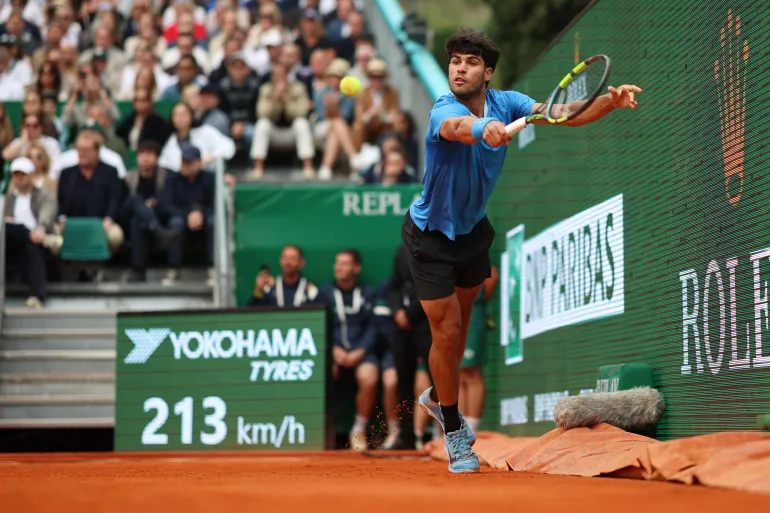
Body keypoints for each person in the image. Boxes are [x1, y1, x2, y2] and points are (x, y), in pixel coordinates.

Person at [403, 28, 641, 473]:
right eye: (455, 60)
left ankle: (437, 397)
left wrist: (608, 101)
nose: (460, 68)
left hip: (473, 233)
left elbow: (561, 112)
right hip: (430, 235)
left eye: (471, 62)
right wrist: (482, 129)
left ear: (487, 72)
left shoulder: (508, 102)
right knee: (448, 332)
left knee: (459, 336)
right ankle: (454, 431)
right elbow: (457, 128)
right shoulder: (443, 109)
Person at [319, 249, 378, 452]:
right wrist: (333, 348)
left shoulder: (368, 293)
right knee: (324, 375)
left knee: (369, 377)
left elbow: (374, 326)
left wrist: (361, 350)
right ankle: (322, 432)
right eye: (337, 263)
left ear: (356, 268)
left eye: (344, 264)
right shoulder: (325, 293)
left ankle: (358, 430)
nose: (338, 267)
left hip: (361, 352)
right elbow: (319, 324)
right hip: (333, 352)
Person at [387, 243, 432, 450]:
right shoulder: (401, 251)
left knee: (437, 380)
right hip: (401, 328)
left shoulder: (436, 247)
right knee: (403, 382)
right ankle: (405, 437)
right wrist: (397, 311)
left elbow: (434, 287)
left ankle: (446, 433)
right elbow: (394, 286)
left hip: (427, 323)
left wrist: (410, 313)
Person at [56, 131, 125, 256]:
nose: (82, 153)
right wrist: (62, 219)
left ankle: (101, 267)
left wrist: (108, 219)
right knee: (53, 239)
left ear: (97, 151)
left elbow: (115, 199)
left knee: (115, 236)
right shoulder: (66, 174)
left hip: (101, 223)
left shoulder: (110, 172)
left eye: (87, 150)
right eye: (80, 149)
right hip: (72, 223)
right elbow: (60, 201)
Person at [3, 157, 57, 308]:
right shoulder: (8, 198)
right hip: (12, 240)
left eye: (23, 174)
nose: (19, 178)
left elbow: (47, 215)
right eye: (16, 174)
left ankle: (36, 294)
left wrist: (40, 229)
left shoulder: (45, 195)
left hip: (38, 240)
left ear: (32, 175)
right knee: (18, 232)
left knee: (30, 244)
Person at [160, 143, 216, 286]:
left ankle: (213, 268)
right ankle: (174, 269)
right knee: (175, 223)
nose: (186, 165)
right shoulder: (172, 179)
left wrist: (200, 214)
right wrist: (188, 214)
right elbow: (167, 206)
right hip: (181, 215)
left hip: (205, 216)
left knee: (213, 222)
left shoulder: (210, 179)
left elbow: (215, 204)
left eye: (190, 162)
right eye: (184, 161)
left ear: (199, 163)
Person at [123, 141, 179, 282]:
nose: (146, 158)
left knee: (138, 222)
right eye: (142, 154)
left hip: (155, 215)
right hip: (128, 216)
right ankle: (158, 231)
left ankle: (138, 270)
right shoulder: (128, 178)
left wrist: (153, 205)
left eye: (150, 154)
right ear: (137, 157)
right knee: (135, 201)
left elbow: (168, 202)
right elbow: (124, 204)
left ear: (157, 157)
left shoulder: (166, 176)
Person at [250, 61, 315, 180]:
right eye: (275, 74)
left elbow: (302, 113)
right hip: (274, 133)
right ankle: (258, 168)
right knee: (262, 125)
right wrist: (275, 99)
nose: (277, 77)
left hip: (291, 133)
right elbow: (262, 113)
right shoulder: (265, 89)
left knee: (302, 124)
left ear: (286, 75)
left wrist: (286, 99)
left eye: (280, 74)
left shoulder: (299, 88)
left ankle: (308, 167)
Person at [458, 266, 498, 439]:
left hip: (473, 314)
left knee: (471, 372)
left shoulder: (472, 244)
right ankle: (461, 430)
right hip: (453, 312)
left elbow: (492, 275)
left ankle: (473, 430)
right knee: (458, 374)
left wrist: (477, 299)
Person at [248, 244, 319, 307]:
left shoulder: (310, 290)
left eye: (292, 259)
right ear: (280, 260)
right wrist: (258, 290)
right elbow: (251, 314)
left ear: (301, 262)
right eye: (285, 258)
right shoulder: (270, 289)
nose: (288, 262)